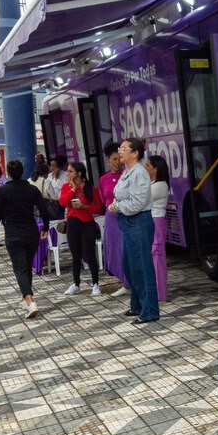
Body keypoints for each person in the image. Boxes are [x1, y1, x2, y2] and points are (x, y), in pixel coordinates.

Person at [0, 160, 50, 318]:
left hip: (13, 233)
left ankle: (30, 301)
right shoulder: (32, 189)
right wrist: (46, 228)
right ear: (22, 171)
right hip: (31, 233)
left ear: (8, 173)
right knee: (26, 266)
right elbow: (44, 209)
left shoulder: (3, 191)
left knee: (20, 268)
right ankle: (25, 297)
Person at [109, 137, 159, 323]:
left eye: (123, 148)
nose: (120, 151)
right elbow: (120, 195)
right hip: (128, 223)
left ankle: (149, 311)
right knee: (130, 266)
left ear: (135, 153)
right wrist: (117, 205)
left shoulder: (139, 172)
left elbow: (137, 202)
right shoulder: (127, 171)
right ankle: (136, 305)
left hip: (137, 222)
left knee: (141, 268)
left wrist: (117, 207)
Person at [58, 161, 103, 296]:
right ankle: (76, 283)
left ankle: (95, 283)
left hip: (87, 223)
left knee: (90, 254)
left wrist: (86, 207)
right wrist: (72, 189)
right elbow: (61, 202)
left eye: (71, 171)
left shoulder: (89, 188)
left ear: (79, 173)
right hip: (72, 223)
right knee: (75, 255)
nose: (68, 174)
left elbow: (99, 208)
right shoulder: (66, 187)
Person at [98, 141, 129, 298]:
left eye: (119, 159)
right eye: (114, 159)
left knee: (125, 249)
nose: (117, 162)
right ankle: (123, 281)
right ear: (107, 160)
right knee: (113, 250)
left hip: (125, 216)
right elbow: (104, 199)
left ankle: (128, 282)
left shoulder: (127, 175)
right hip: (111, 217)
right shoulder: (103, 179)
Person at [145, 154, 170, 302]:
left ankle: (160, 294)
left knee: (157, 255)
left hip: (157, 220)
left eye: (148, 166)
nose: (145, 168)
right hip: (152, 220)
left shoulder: (160, 185)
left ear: (155, 169)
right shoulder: (153, 183)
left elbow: (142, 198)